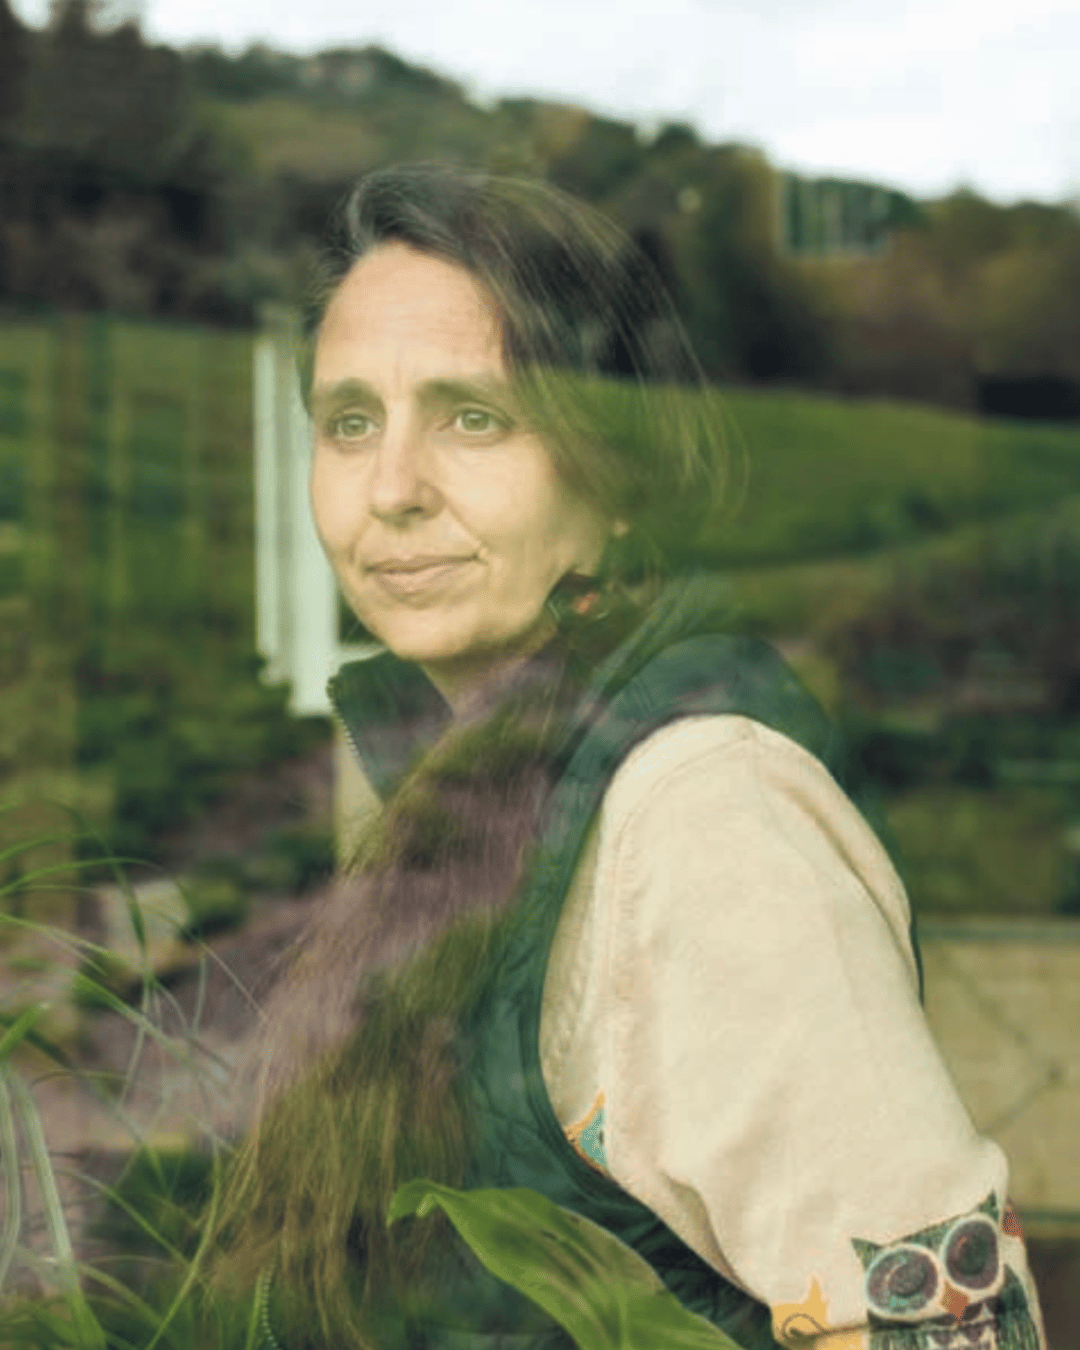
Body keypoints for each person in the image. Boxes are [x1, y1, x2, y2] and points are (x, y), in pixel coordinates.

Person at [213, 164, 1047, 1350]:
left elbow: (948, 1335)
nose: (390, 489)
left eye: (473, 417)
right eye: (351, 422)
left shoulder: (700, 816)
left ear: (617, 477)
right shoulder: (473, 772)